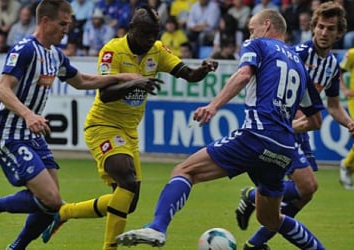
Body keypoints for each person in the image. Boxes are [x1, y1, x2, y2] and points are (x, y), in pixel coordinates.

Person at [116, 9, 326, 250]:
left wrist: (213, 106)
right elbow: (316, 120)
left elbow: (243, 74)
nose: (250, 33)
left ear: (267, 26)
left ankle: (156, 228)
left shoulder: (257, 44)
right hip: (284, 148)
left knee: (185, 170)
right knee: (269, 219)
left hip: (255, 135)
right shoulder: (298, 63)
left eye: (251, 28)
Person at [0, 0, 162, 249]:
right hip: (11, 133)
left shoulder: (54, 55)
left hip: (32, 135)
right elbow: (2, 89)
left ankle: (16, 246)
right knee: (50, 200)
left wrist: (122, 77)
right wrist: (29, 115)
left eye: (69, 25)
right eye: (62, 24)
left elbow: (83, 80)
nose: (66, 30)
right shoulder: (26, 50)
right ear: (45, 21)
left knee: (52, 203)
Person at [41, 5, 218, 250]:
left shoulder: (157, 50)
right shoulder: (113, 50)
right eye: (146, 34)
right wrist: (136, 83)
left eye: (154, 35)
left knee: (127, 201)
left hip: (129, 132)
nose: (150, 40)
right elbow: (105, 94)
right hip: (102, 125)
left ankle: (64, 212)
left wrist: (203, 69)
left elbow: (187, 73)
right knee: (127, 182)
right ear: (132, 30)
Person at [235, 2, 354, 249]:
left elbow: (333, 106)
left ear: (338, 33)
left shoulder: (332, 65)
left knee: (305, 193)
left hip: (300, 130)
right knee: (308, 186)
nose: (323, 32)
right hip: (282, 129)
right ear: (313, 27)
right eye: (320, 26)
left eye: (330, 28)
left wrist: (350, 122)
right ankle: (253, 198)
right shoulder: (297, 53)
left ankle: (255, 241)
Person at [339, 47, 354, 189]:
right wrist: (344, 89)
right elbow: (340, 71)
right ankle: (346, 165)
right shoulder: (352, 54)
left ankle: (349, 166)